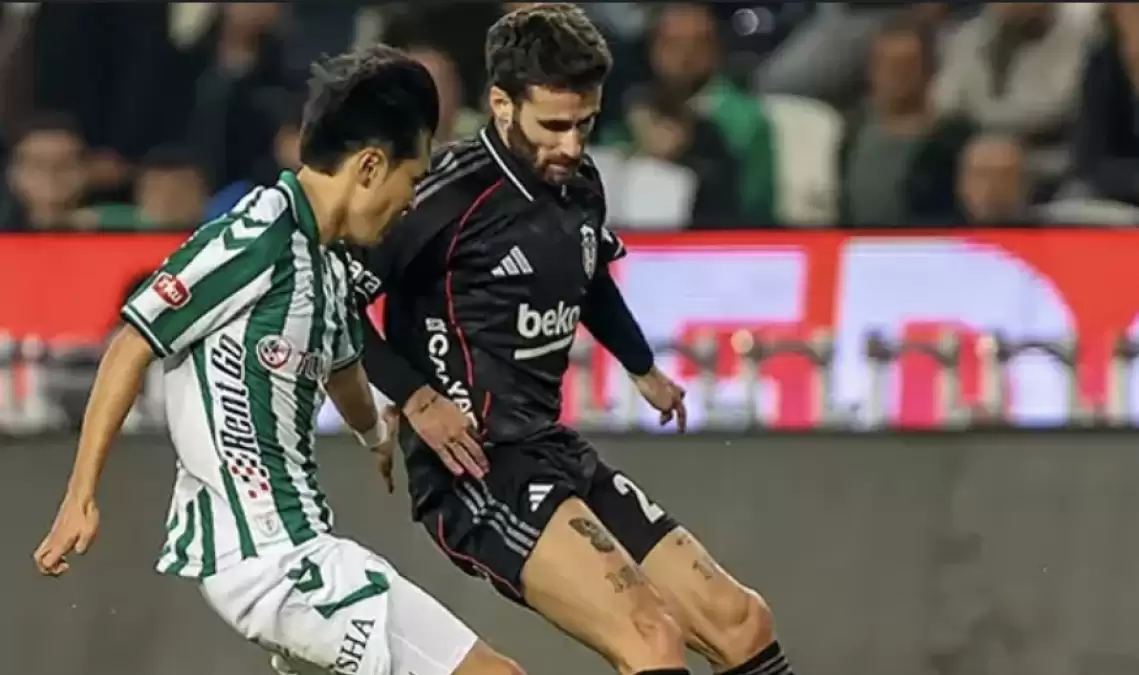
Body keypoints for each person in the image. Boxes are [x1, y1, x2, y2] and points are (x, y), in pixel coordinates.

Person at [32, 45, 521, 675]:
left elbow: (342, 366)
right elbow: (132, 344)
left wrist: (374, 435)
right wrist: (81, 496)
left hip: (295, 552)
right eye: (412, 178)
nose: (411, 201)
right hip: (269, 559)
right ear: (370, 166)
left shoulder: (328, 264)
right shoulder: (257, 234)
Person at [350, 6, 794, 675]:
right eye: (552, 126)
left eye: (583, 123)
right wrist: (413, 398)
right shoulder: (439, 195)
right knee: (649, 636)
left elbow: (588, 278)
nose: (570, 145)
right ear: (501, 104)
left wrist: (641, 367)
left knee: (738, 619)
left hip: (550, 447)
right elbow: (333, 301)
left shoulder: (578, 184)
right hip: (473, 466)